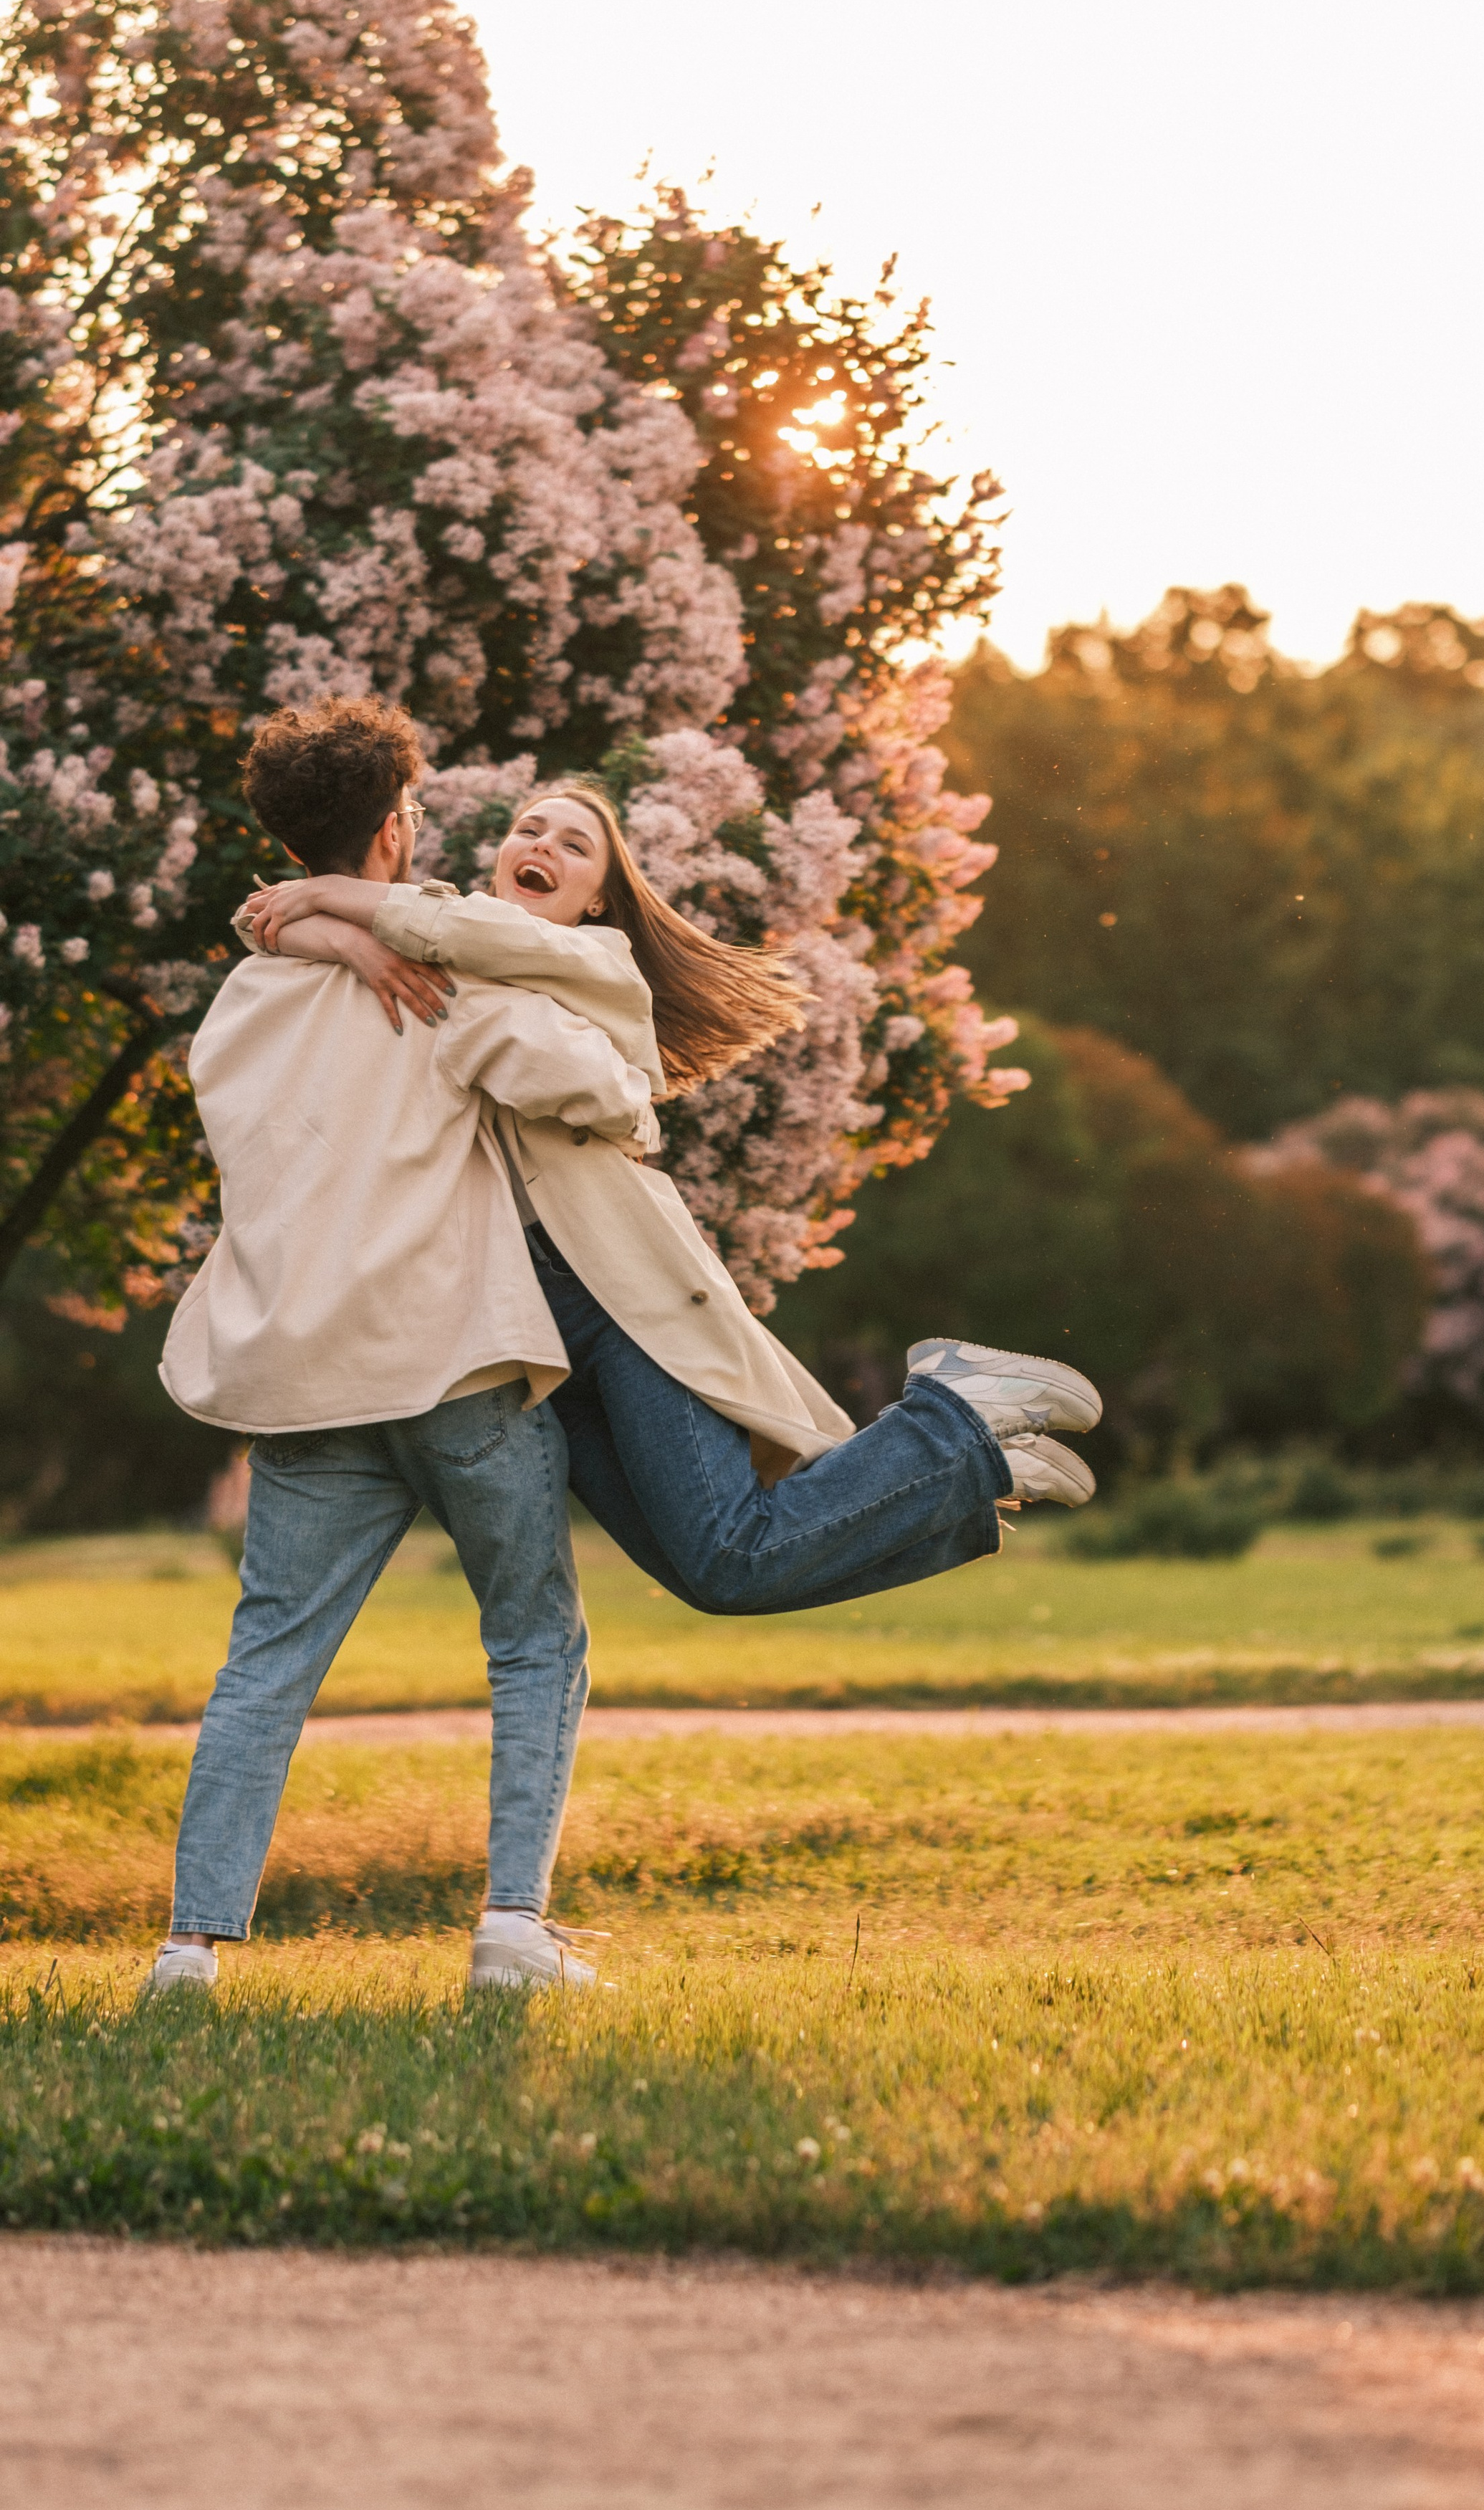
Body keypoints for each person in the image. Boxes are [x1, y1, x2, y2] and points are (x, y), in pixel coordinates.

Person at [240, 769, 1104, 1614]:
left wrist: (340, 912)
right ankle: (979, 1472)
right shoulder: (441, 934)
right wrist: (350, 935)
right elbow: (259, 920)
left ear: (597, 903)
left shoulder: (588, 957)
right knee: (706, 1575)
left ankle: (953, 1416)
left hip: (610, 1290)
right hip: (519, 1329)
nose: (542, 845)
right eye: (528, 831)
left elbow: (462, 952)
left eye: (574, 846)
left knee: (732, 1556)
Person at [147, 700, 662, 1995]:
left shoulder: (240, 1004)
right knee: (536, 1637)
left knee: (266, 1666)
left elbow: (268, 920)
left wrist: (321, 926)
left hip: (303, 1384)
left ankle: (189, 1953)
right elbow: (609, 1094)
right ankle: (509, 1930)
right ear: (393, 833)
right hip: (454, 1365)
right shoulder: (453, 980)